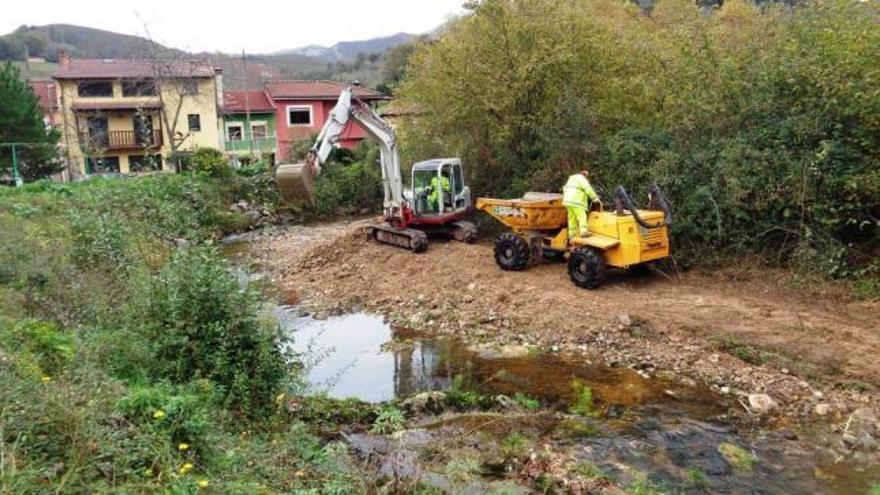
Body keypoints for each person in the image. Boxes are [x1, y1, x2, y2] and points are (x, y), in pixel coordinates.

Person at [562, 169, 599, 239]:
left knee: (571, 218)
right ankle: (583, 232)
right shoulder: (582, 179)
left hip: (568, 201)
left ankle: (571, 235)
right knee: (582, 216)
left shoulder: (571, 179)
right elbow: (588, 189)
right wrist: (595, 199)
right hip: (577, 202)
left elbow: (564, 189)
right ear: (584, 175)